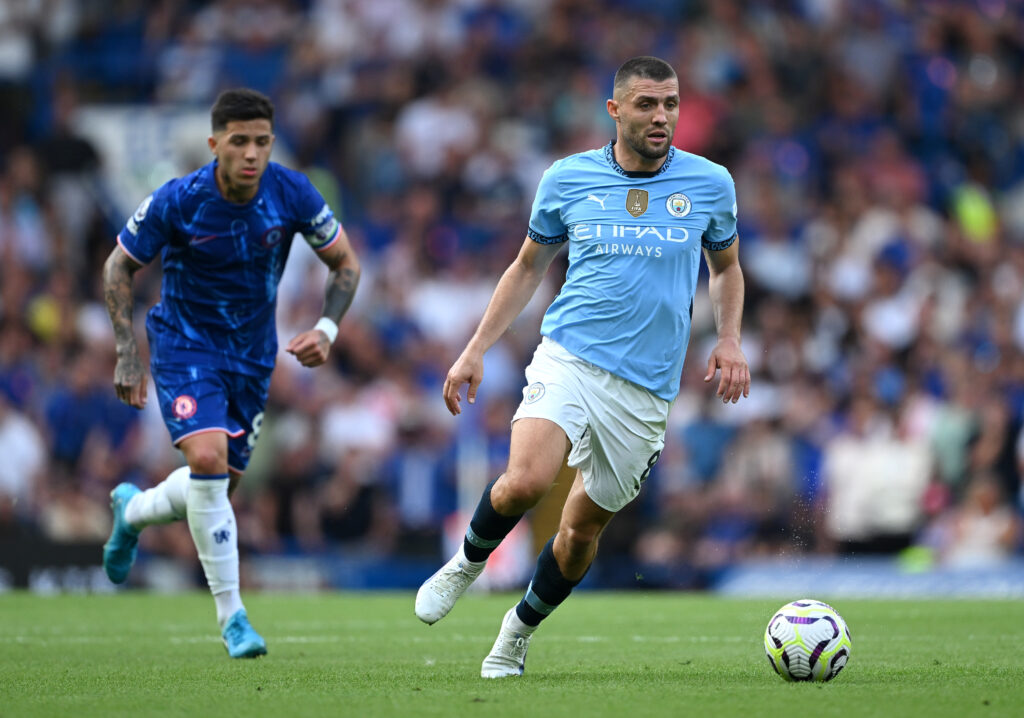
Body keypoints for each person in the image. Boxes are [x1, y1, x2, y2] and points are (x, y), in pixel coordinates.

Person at [414, 56, 749, 678]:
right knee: (524, 481)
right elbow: (526, 268)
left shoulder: (710, 183)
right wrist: (475, 348)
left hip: (647, 391)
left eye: (671, 103)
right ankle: (465, 564)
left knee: (577, 536)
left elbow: (726, 269)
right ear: (615, 110)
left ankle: (516, 631)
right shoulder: (568, 178)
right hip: (570, 355)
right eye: (647, 104)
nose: (661, 116)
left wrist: (729, 339)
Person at [101, 88, 360, 658]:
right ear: (215, 143)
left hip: (252, 359)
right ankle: (233, 618)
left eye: (261, 142)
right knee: (208, 463)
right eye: (238, 142)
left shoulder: (291, 192)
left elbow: (345, 264)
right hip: (185, 346)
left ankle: (134, 511)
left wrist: (327, 329)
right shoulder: (180, 200)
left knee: (214, 488)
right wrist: (126, 349)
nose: (251, 154)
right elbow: (119, 264)